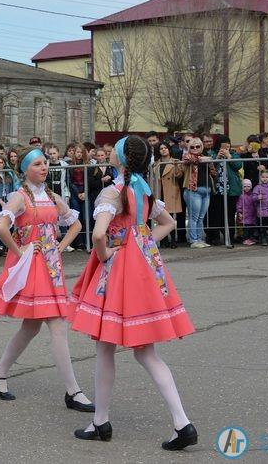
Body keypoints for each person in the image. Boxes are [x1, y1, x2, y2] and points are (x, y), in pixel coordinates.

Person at [69, 135, 196, 451]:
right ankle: (181, 422)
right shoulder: (145, 191)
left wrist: (106, 254)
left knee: (105, 347)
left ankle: (101, 421)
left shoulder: (114, 192)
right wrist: (143, 241)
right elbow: (167, 223)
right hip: (145, 268)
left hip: (120, 270)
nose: (110, 152)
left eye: (115, 149)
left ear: (123, 159)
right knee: (146, 351)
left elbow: (99, 233)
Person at [0, 147, 93, 410]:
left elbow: (75, 224)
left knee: (31, 327)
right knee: (56, 324)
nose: (44, 167)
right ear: (25, 169)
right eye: (38, 164)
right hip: (33, 267)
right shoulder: (20, 197)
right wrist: (21, 252)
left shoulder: (52, 197)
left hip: (51, 267)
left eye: (45, 163)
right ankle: (73, 391)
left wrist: (60, 246)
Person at [206, 135, 242, 246]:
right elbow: (210, 167)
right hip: (217, 189)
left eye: (228, 144)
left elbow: (238, 165)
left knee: (230, 214)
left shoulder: (234, 153)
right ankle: (215, 237)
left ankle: (230, 237)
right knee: (216, 214)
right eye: (223, 145)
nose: (226, 147)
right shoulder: (211, 153)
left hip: (231, 189)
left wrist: (229, 156)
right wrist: (217, 158)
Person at [181, 138, 215, 248]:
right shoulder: (187, 156)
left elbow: (213, 170)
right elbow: (190, 159)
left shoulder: (206, 156)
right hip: (193, 190)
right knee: (193, 217)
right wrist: (205, 159)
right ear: (188, 148)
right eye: (192, 147)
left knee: (201, 217)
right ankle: (193, 240)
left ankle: (200, 239)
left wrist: (208, 160)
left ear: (201, 147)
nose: (195, 149)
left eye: (197, 146)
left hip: (207, 190)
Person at [155, 143, 184, 248]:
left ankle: (173, 240)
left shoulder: (175, 161)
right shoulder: (156, 163)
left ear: (169, 149)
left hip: (171, 191)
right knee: (160, 217)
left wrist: (176, 166)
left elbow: (179, 175)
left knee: (170, 217)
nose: (163, 150)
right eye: (161, 148)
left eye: (165, 148)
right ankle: (163, 240)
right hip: (159, 191)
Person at [236, 179, 258, 245]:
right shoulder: (241, 196)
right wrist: (239, 212)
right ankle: (245, 239)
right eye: (245, 186)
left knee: (252, 228)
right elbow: (239, 205)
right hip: (245, 215)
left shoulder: (252, 195)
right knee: (246, 229)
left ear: (251, 187)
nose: (246, 188)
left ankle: (250, 238)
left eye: (248, 186)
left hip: (252, 214)